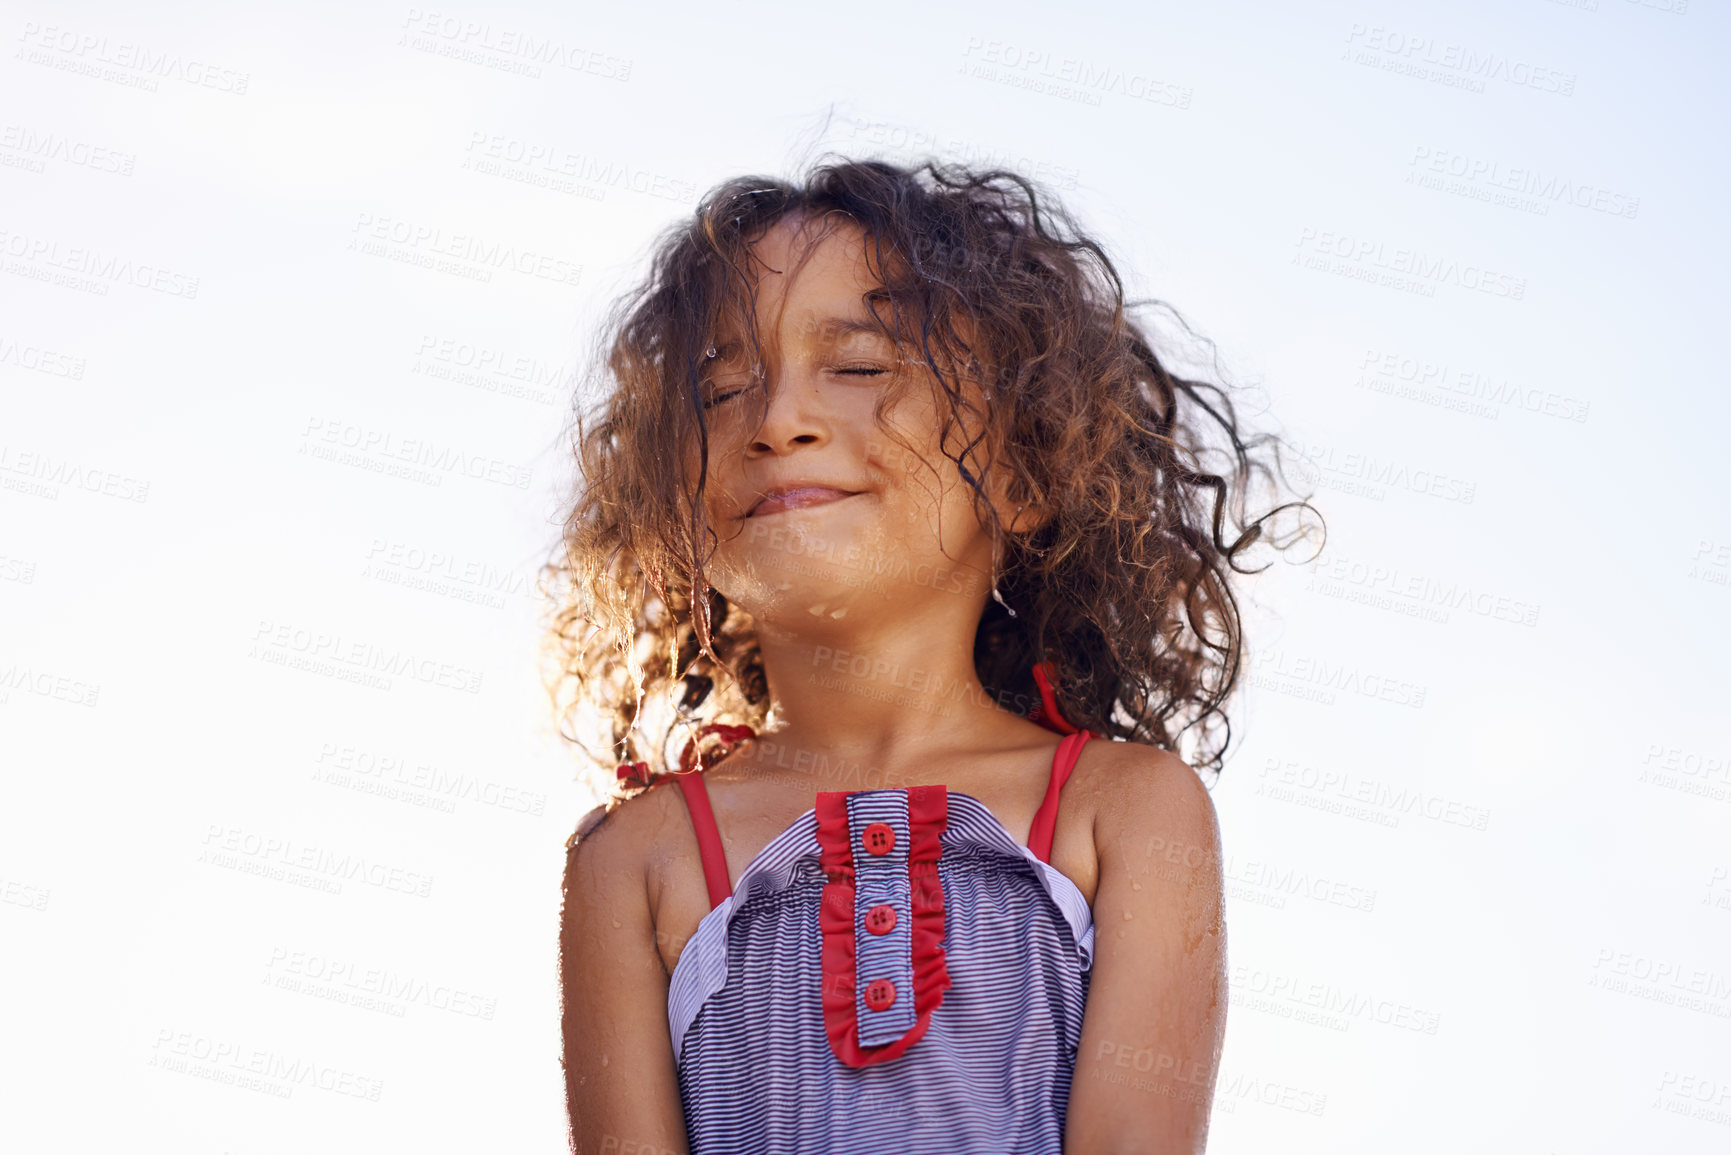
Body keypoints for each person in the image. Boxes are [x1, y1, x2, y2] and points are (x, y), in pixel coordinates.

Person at [548, 158, 1318, 1154]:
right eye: (724, 388)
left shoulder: (1127, 811)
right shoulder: (633, 858)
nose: (778, 420)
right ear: (676, 518)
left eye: (861, 367)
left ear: (1029, 471)